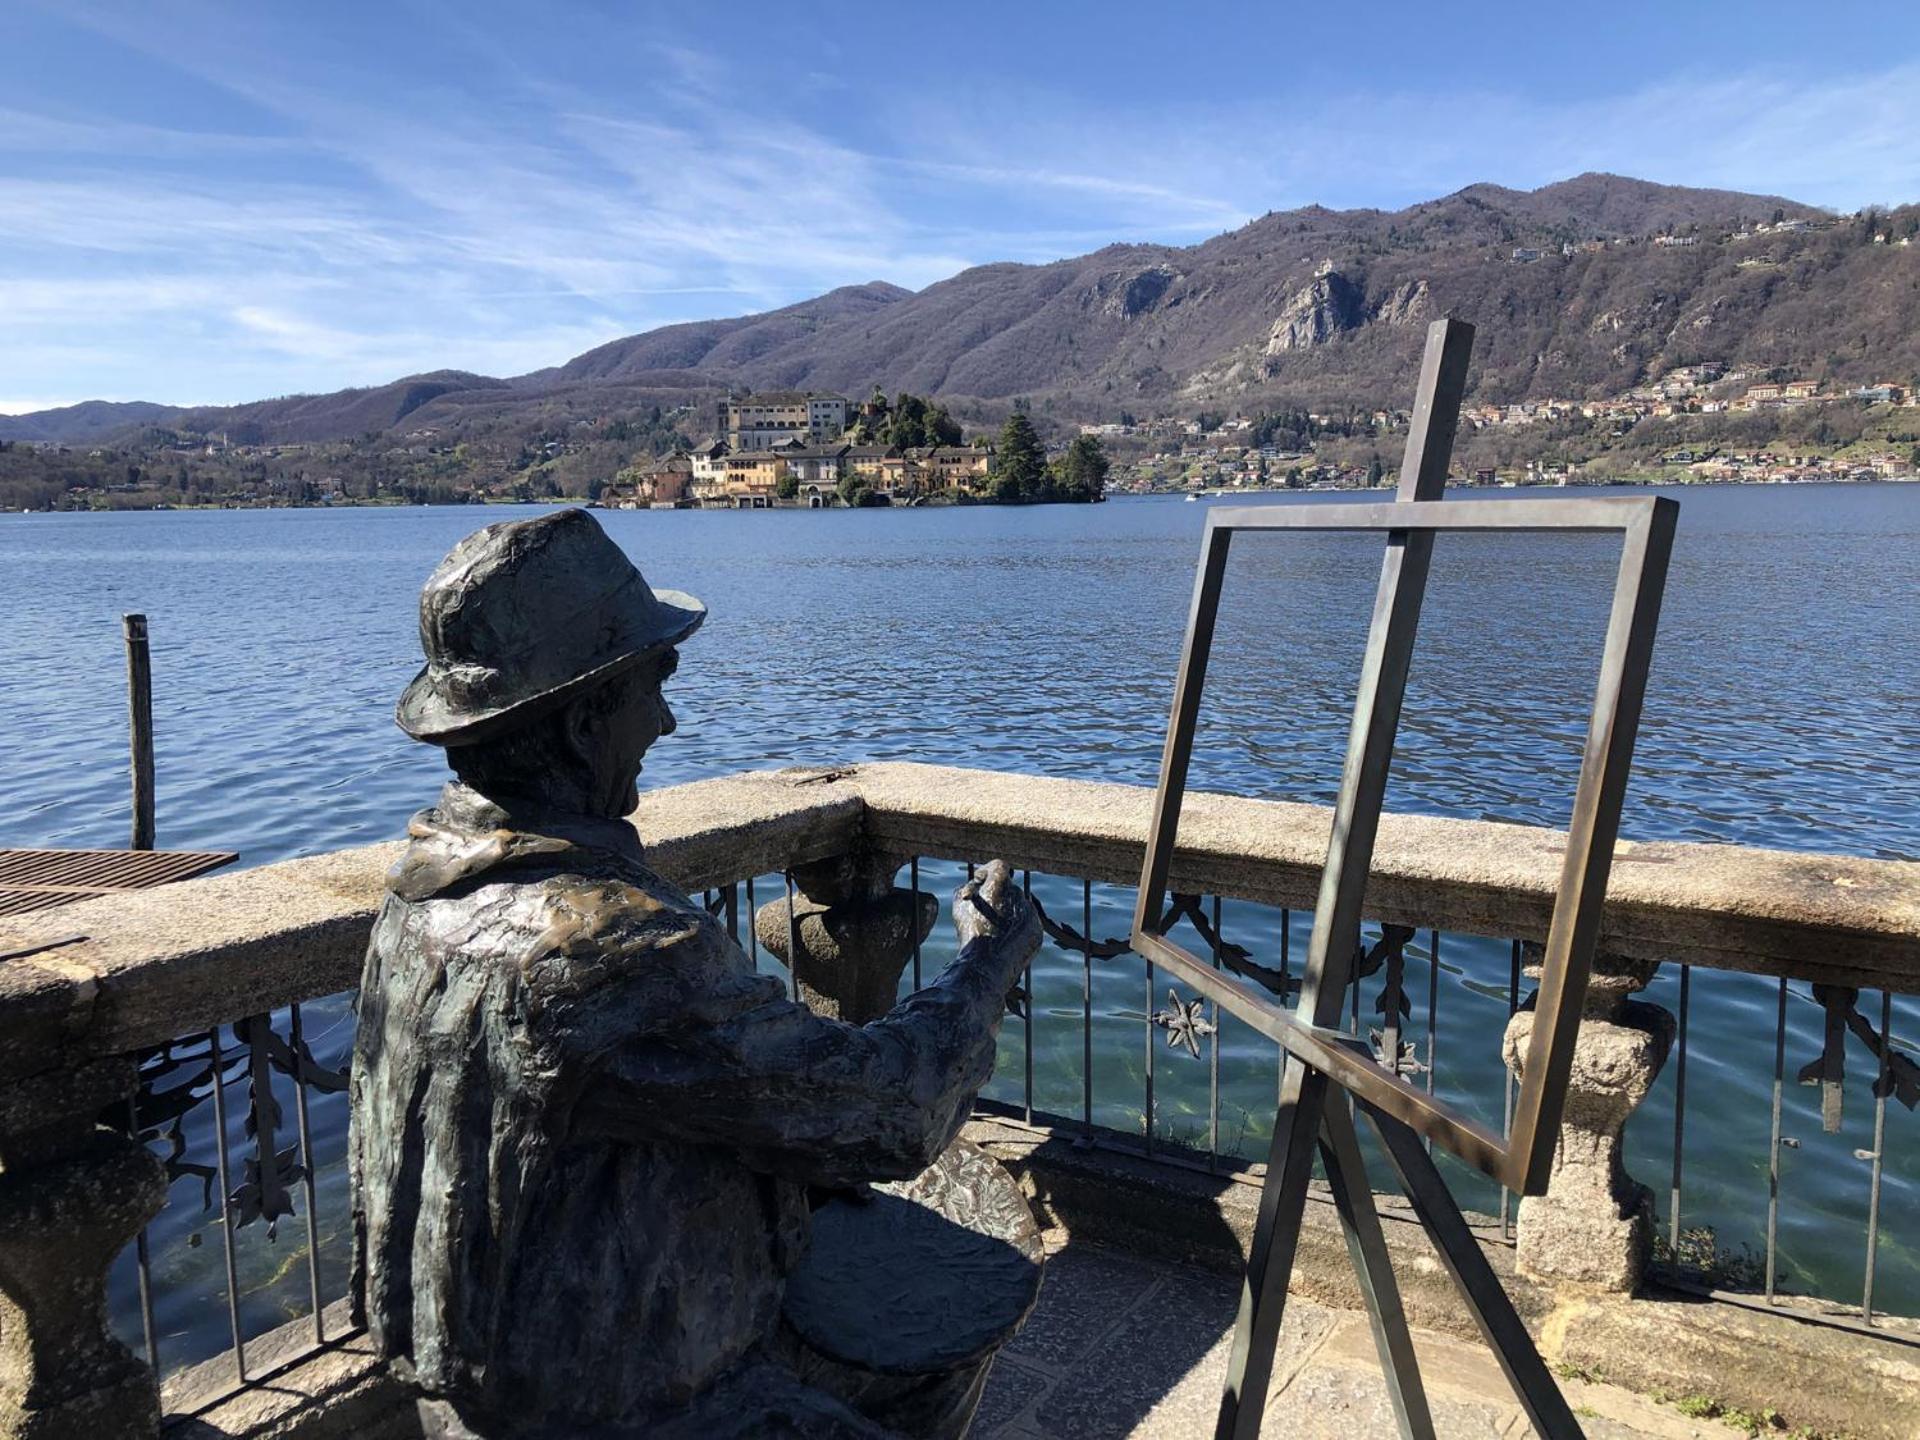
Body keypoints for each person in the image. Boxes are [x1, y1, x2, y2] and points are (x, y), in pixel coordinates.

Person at [349, 508, 1040, 1438]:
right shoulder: (611, 951)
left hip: (477, 1396)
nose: (667, 721)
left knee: (910, 1367)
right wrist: (987, 962)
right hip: (633, 1409)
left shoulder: (416, 903)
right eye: (652, 687)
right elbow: (892, 1112)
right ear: (586, 723)